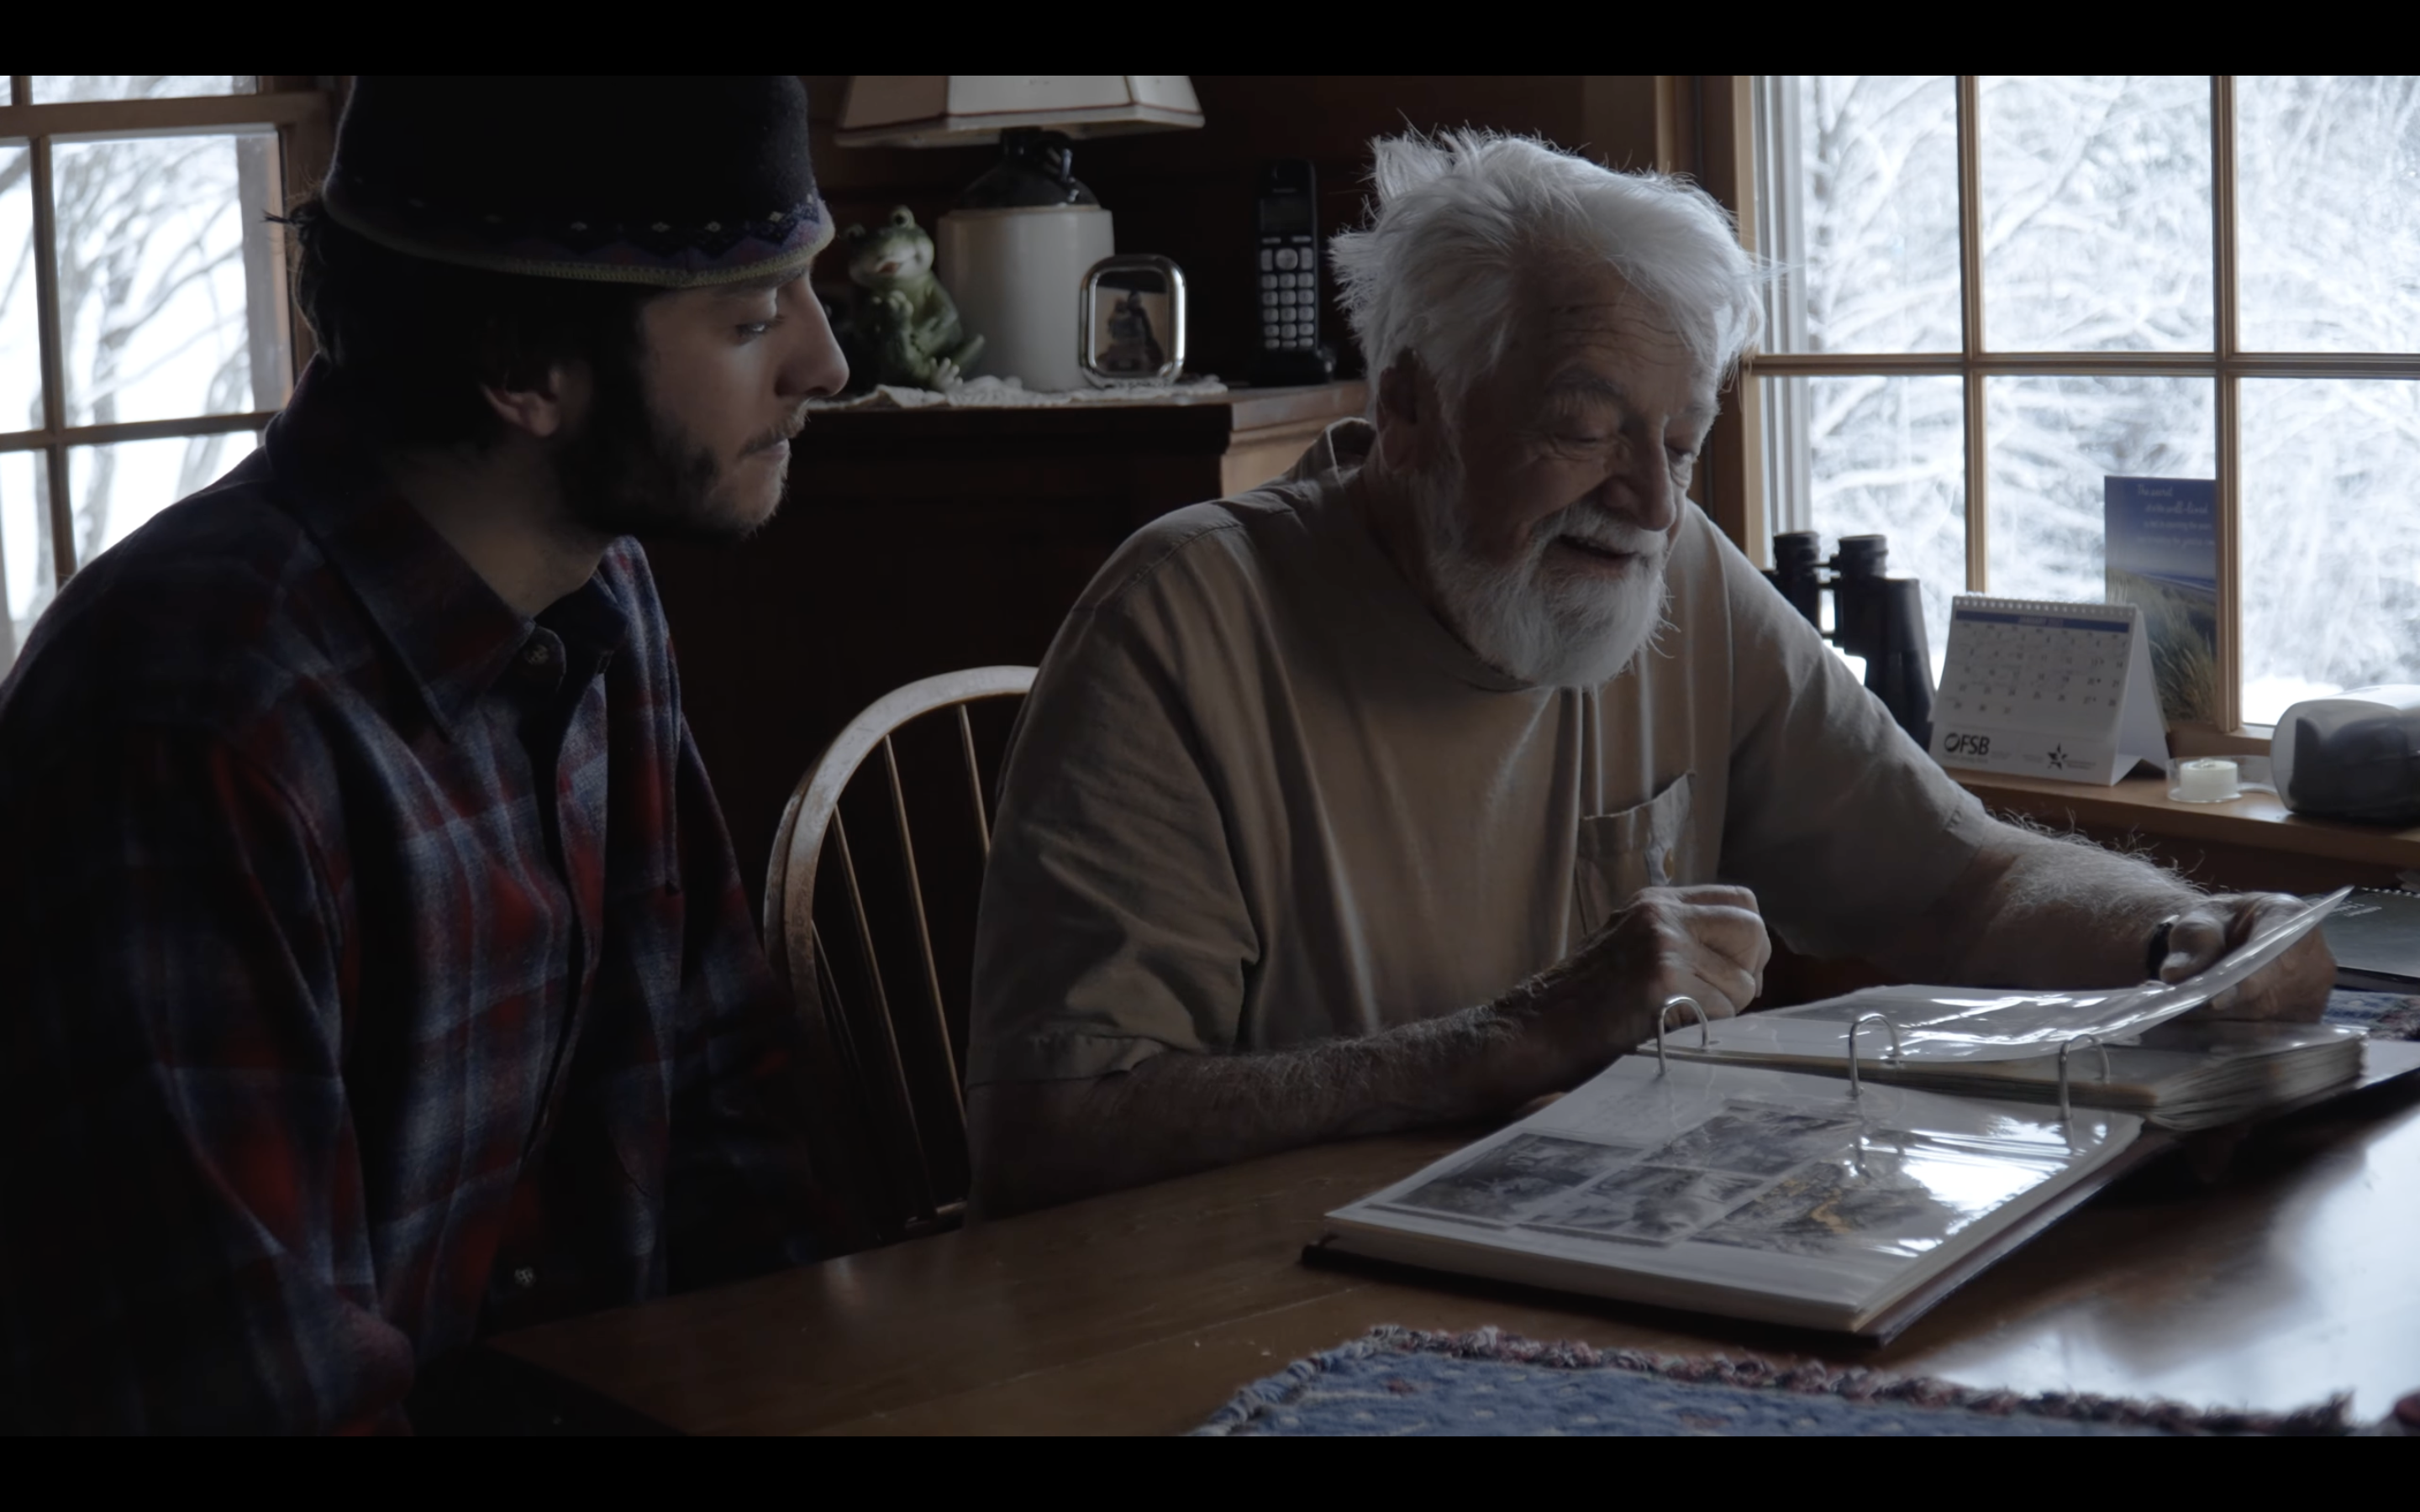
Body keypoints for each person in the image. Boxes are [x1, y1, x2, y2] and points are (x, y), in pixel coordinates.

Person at [963, 131, 2331, 1217]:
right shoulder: (1184, 617)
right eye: (1584, 430)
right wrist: (1508, 1040)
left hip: (1572, 1274)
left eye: (1682, 440)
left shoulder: (1676, 581)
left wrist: (2181, 944)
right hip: (1235, 1308)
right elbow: (1055, 1127)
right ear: (1409, 407)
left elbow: (1960, 876)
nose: (1654, 502)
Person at [0, 76, 850, 1431]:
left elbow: (718, 1115)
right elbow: (253, 1388)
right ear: (524, 370)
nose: (825, 363)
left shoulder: (600, 594)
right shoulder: (190, 727)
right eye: (752, 318)